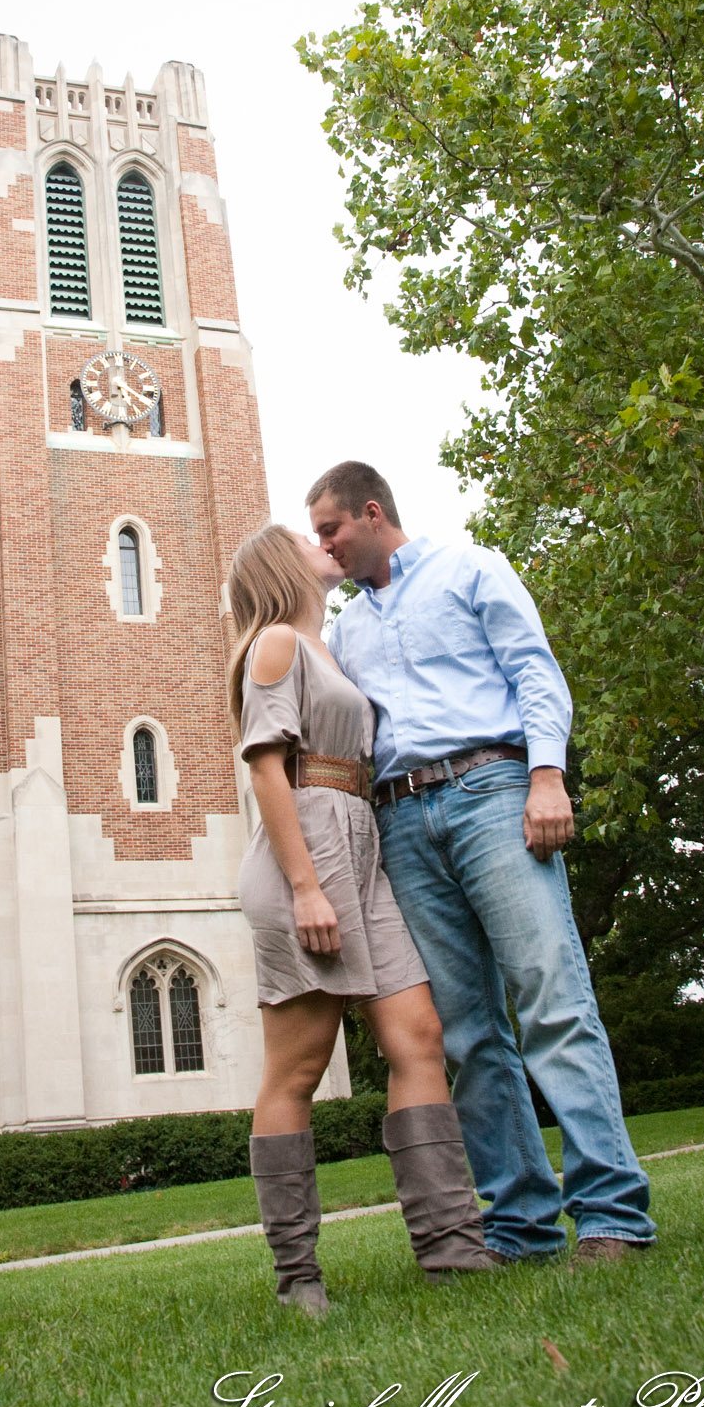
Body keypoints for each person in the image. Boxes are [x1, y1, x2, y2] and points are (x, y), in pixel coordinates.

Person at [307, 460, 655, 1266]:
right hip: (401, 817)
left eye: (330, 529)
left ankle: (610, 1214)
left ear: (370, 512)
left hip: (492, 789)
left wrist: (546, 775)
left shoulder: (471, 567)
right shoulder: (347, 628)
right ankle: (520, 1224)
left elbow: (535, 671)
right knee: (467, 1032)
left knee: (551, 996)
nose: (323, 547)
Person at [229, 522, 495, 1314]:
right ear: (283, 564)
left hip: (363, 847)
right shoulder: (277, 642)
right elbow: (266, 770)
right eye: (306, 538)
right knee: (299, 1071)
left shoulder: (333, 646)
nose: (325, 544)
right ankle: (298, 1281)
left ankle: (452, 1251)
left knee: (418, 1039)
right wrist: (307, 887)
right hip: (302, 854)